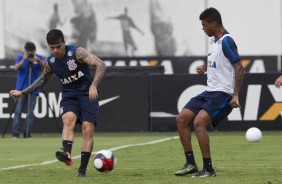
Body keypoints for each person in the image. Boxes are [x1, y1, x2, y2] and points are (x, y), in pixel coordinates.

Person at [10, 29, 107, 177]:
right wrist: (23, 92)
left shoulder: (77, 53)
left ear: (64, 43)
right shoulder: (50, 62)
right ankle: (67, 153)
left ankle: (82, 170)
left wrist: (94, 85)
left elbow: (101, 64)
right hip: (69, 95)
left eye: (58, 46)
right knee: (67, 119)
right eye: (52, 47)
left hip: (87, 93)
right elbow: (42, 79)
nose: (55, 50)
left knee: (87, 129)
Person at [174, 7, 244, 177]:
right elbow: (222, 63)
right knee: (181, 119)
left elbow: (239, 67)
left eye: (204, 25)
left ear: (214, 24)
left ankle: (209, 169)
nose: (203, 28)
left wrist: (235, 95)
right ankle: (191, 164)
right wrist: (205, 68)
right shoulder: (214, 41)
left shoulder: (227, 41)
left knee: (199, 123)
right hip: (210, 91)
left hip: (223, 93)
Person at [12, 42, 45, 139]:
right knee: (18, 111)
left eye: (31, 51)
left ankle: (27, 133)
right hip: (20, 90)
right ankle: (15, 133)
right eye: (27, 51)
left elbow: (45, 68)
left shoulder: (39, 57)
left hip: (33, 89)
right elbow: (15, 68)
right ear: (25, 51)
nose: (30, 53)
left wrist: (38, 60)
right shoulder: (20, 57)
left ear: (34, 51)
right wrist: (24, 59)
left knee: (30, 113)